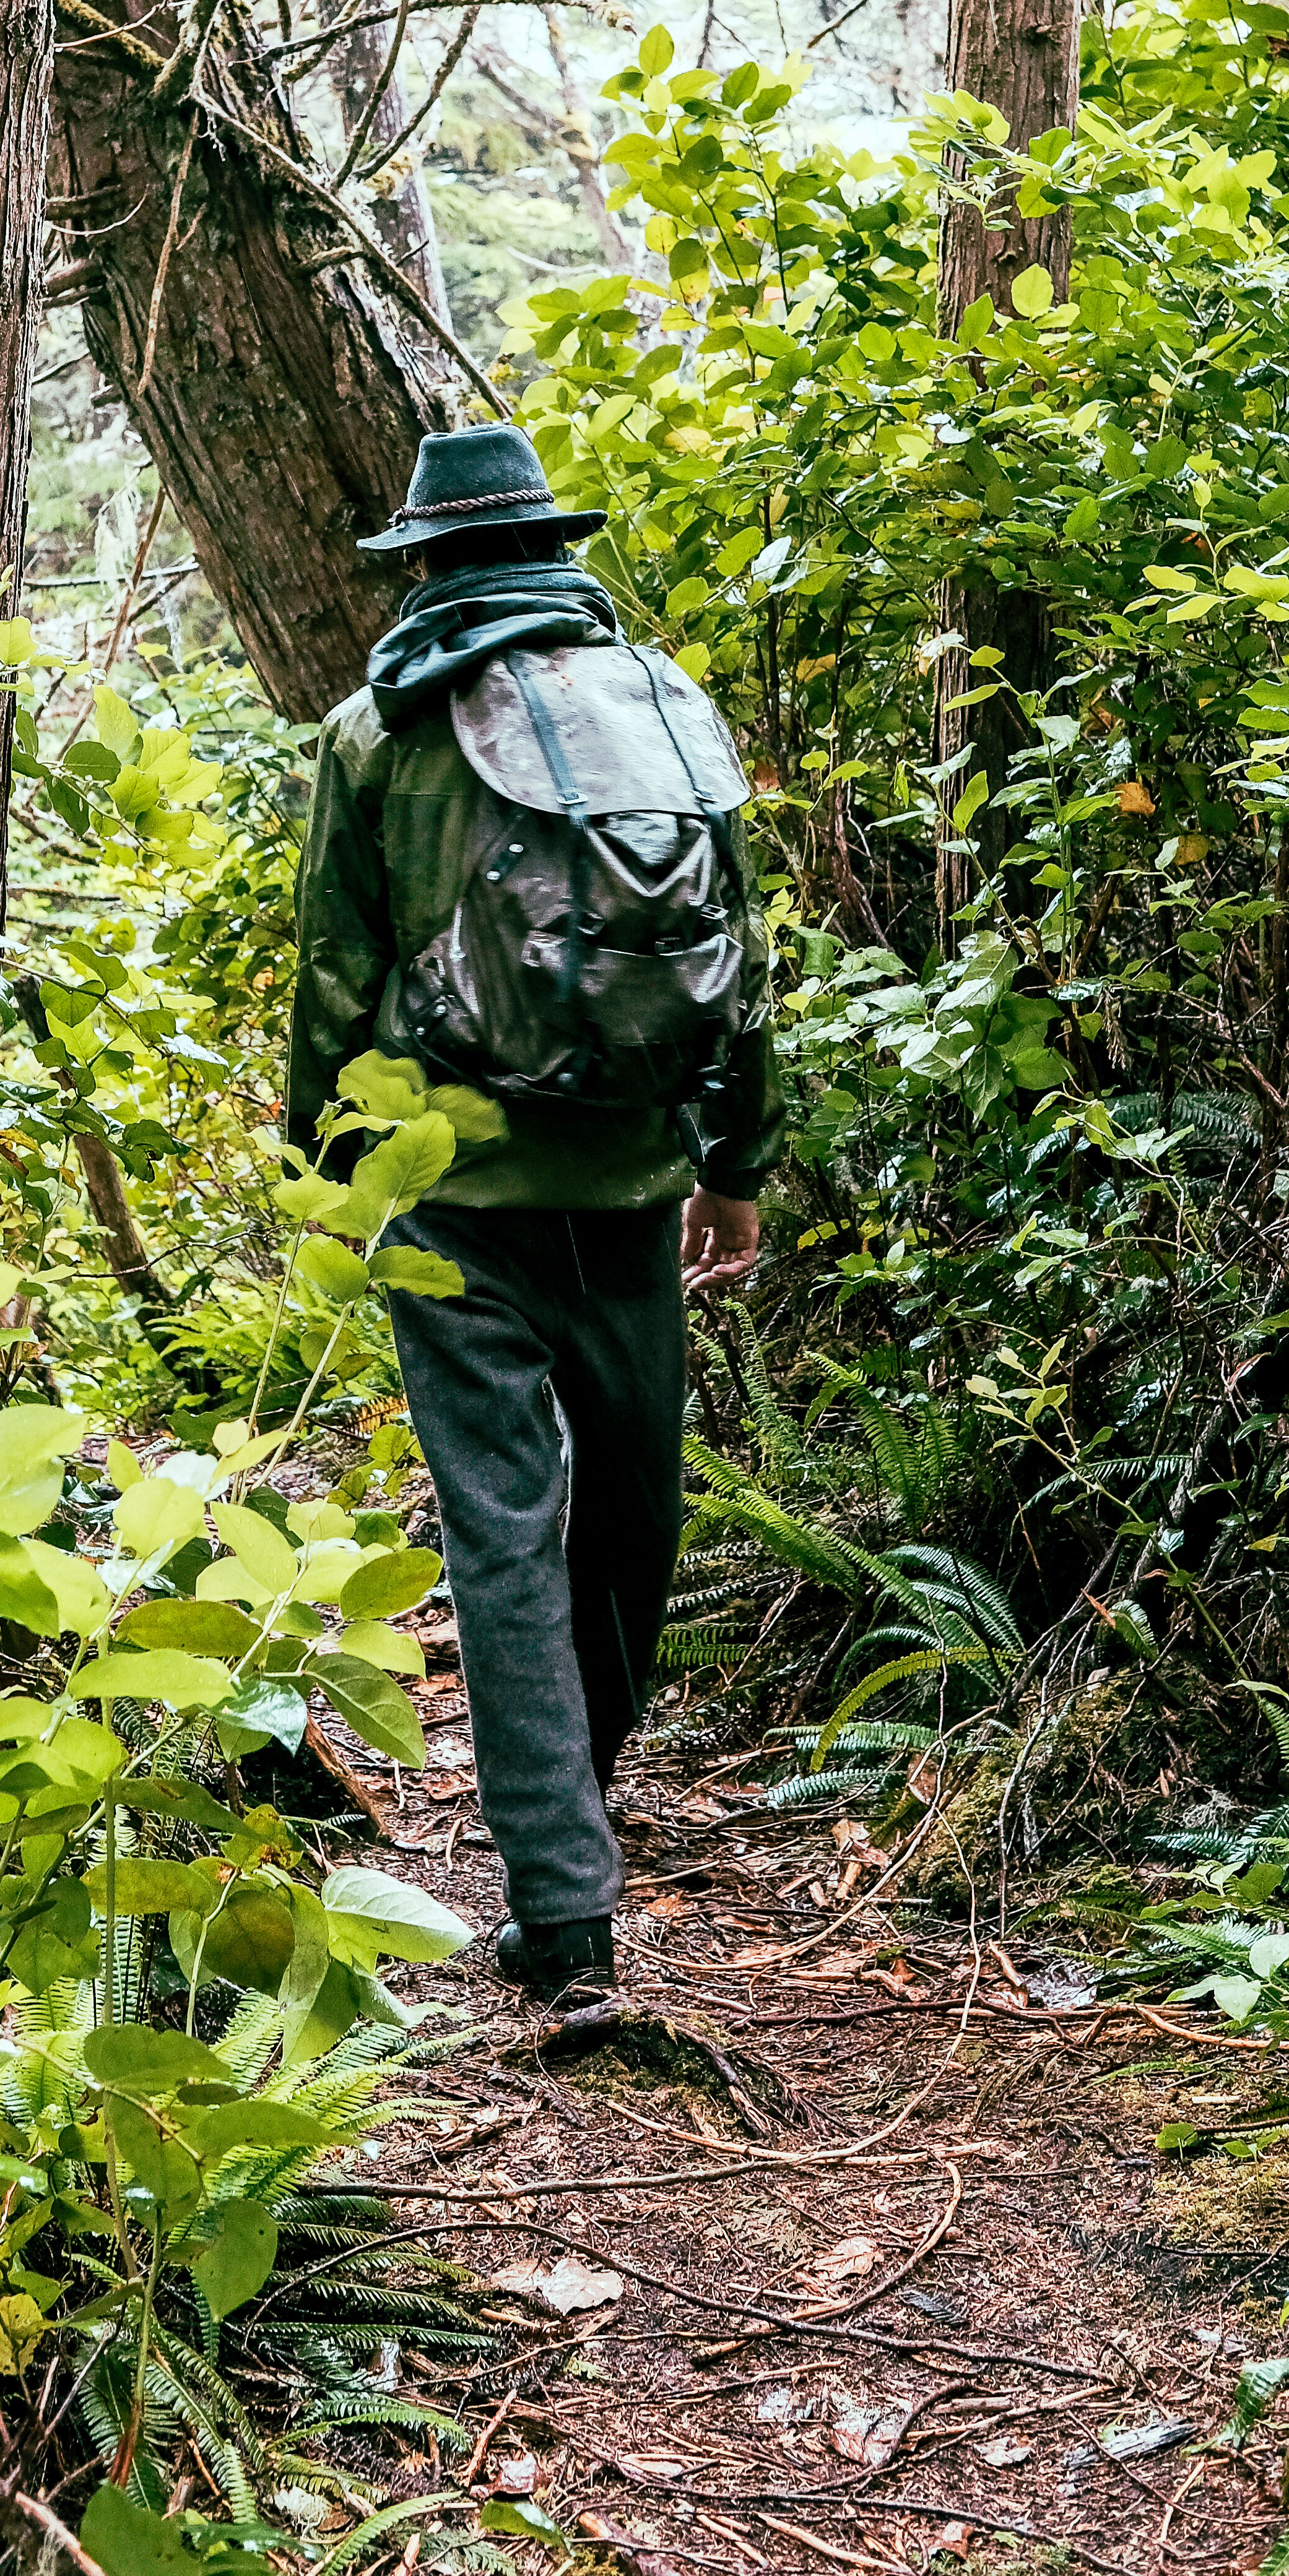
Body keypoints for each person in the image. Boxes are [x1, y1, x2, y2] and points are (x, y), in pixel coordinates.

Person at [287, 423, 782, 2007]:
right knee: (635, 1520)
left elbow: (331, 983)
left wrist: (337, 1169)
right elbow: (733, 953)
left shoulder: (376, 732)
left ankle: (563, 1910)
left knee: (503, 1533)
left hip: (450, 1196)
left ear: (427, 561)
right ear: (550, 551)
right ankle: (579, 1807)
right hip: (634, 1180)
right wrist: (734, 1166)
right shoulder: (664, 711)